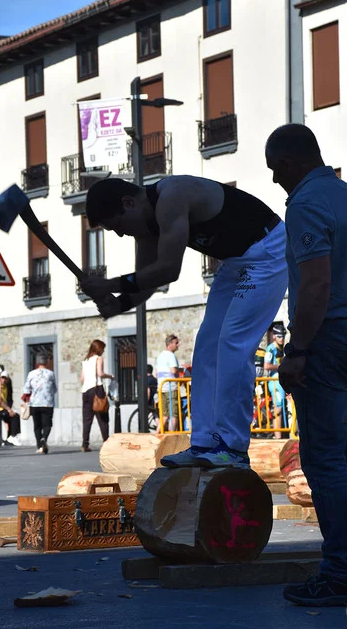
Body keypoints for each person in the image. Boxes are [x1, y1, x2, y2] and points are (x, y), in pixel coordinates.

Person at [80, 176, 287, 468]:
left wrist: (109, 284)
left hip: (267, 252)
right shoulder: (146, 225)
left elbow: (168, 270)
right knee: (206, 348)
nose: (121, 234)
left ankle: (233, 448)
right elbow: (147, 281)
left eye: (117, 226)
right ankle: (203, 443)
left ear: (128, 202)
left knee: (233, 344)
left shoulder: (172, 196)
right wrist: (119, 303)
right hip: (235, 262)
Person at [265, 123, 347, 607]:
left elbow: (316, 283)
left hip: (328, 340)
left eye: (275, 170)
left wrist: (298, 350)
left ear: (289, 162)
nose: (275, 180)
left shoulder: (306, 203)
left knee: (325, 459)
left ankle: (340, 574)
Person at [80, 339, 113, 451]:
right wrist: (110, 376)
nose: (103, 351)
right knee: (102, 416)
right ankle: (106, 442)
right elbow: (100, 373)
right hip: (97, 389)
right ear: (99, 349)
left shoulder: (86, 360)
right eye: (102, 349)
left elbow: (82, 378)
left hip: (85, 391)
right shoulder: (98, 358)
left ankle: (85, 444)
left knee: (87, 419)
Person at [23, 354, 57, 454]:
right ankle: (44, 438)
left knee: (37, 425)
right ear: (46, 362)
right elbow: (54, 389)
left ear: (37, 362)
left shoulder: (31, 374)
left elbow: (26, 389)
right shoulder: (51, 374)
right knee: (47, 424)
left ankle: (39, 446)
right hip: (47, 403)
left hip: (35, 403)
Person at [264, 324, 287, 439]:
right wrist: (281, 367)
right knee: (278, 407)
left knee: (282, 407)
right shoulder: (271, 348)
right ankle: (278, 437)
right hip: (274, 383)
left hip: (280, 382)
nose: (281, 338)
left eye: (283, 336)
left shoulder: (281, 348)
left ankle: (281, 434)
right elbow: (266, 366)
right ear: (273, 336)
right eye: (279, 336)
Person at [156, 334, 180, 431]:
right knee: (174, 414)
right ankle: (172, 435)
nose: (178, 345)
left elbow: (156, 373)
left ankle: (157, 433)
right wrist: (179, 371)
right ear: (170, 344)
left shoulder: (160, 356)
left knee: (164, 415)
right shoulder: (171, 355)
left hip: (161, 387)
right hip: (171, 387)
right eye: (176, 343)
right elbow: (173, 370)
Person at [0, 371, 21, 447]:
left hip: (4, 408)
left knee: (14, 416)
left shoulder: (6, 387)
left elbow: (9, 399)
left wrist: (10, 409)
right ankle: (12, 436)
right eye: (2, 378)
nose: (3, 380)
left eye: (5, 379)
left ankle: (11, 436)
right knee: (14, 417)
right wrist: (8, 409)